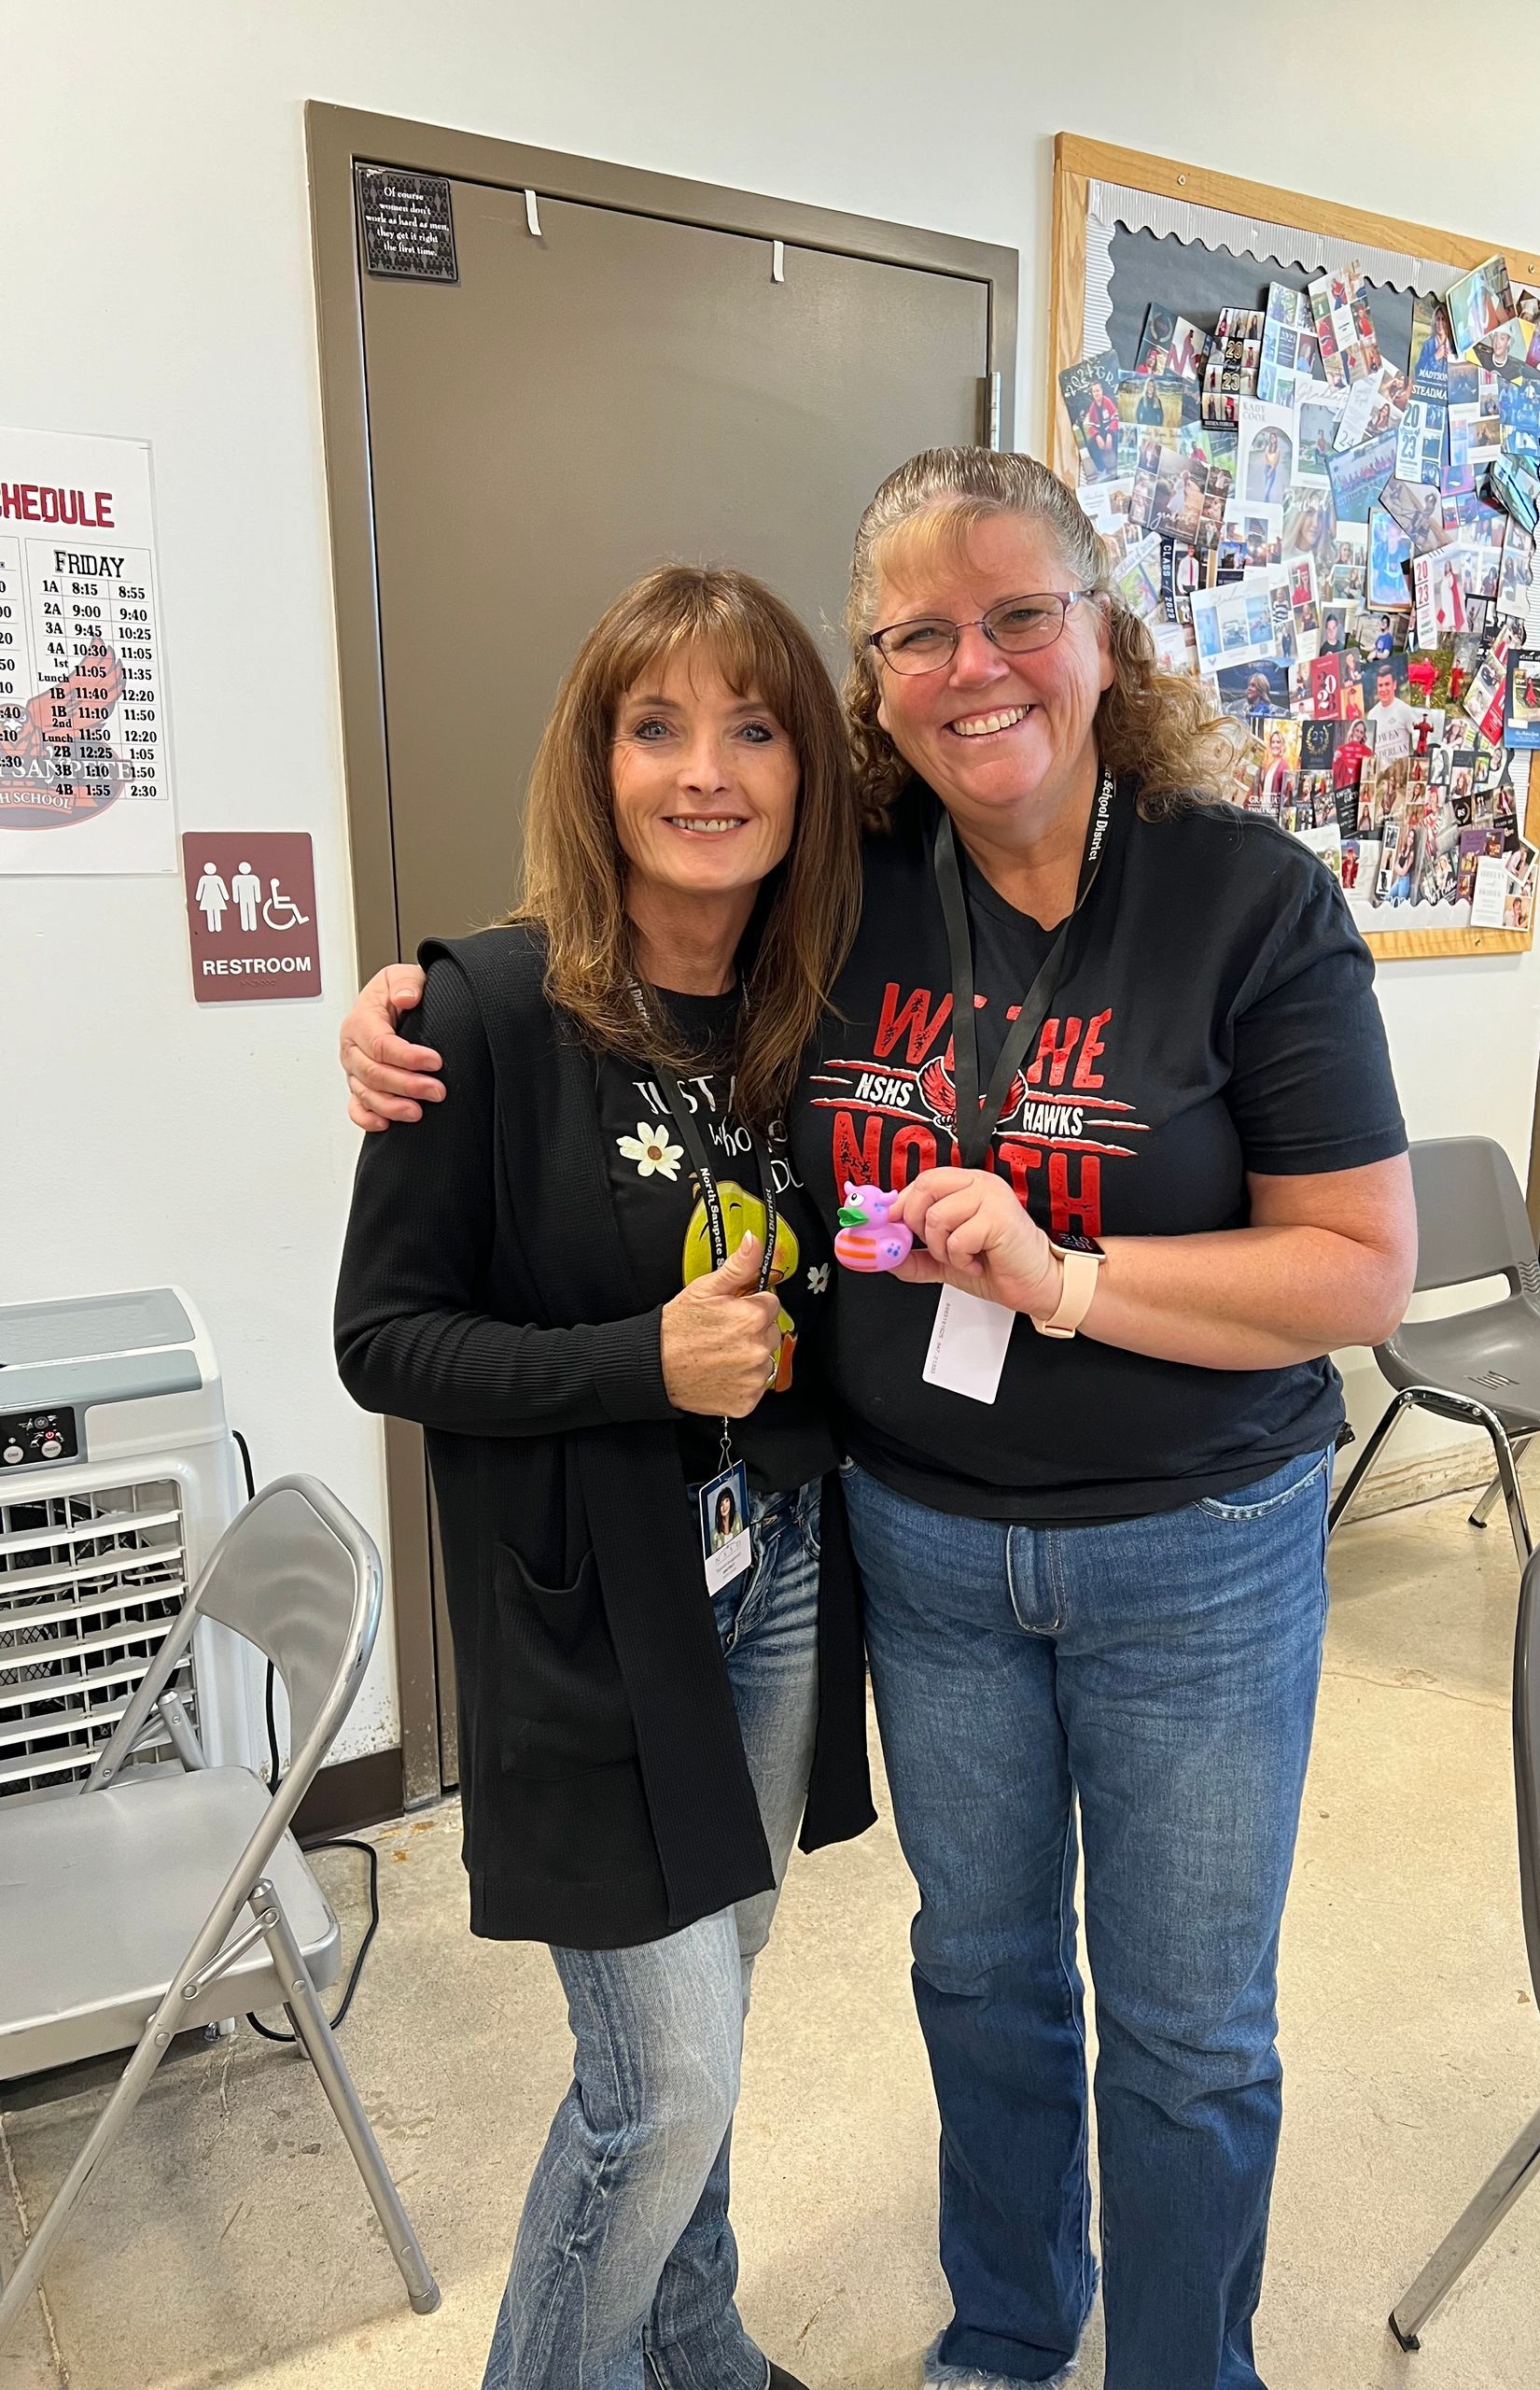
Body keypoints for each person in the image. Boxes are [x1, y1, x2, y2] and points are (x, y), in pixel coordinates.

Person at [340, 449, 1417, 2390]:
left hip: (1195, 1542)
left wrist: (1074, 1281)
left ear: (1106, 633)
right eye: (917, 630)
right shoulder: (851, 898)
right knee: (981, 1973)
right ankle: (1007, 2329)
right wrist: (412, 999)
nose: (971, 662)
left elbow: (1357, 1269)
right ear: (880, 676)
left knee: (1184, 2030)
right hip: (922, 1541)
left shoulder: (1250, 902)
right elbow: (623, 966)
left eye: (1018, 613)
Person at [334, 566, 874, 2390]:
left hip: (779, 1567)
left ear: (808, 774)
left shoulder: (810, 1013)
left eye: (752, 726)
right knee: (665, 2085)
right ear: (599, 756)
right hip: (593, 1603)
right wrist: (633, 1364)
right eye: (659, 725)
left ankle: (694, 2343)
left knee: (723, 1994)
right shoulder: (481, 1011)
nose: (704, 769)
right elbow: (383, 1338)